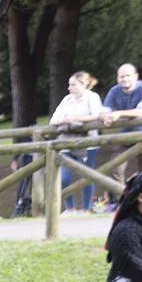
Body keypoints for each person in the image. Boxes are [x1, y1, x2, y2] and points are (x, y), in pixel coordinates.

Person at [49, 72, 105, 211]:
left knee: (86, 176)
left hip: (87, 144)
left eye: (73, 84)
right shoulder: (67, 99)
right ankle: (70, 208)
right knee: (63, 178)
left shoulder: (92, 97)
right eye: (69, 84)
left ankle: (86, 209)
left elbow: (97, 116)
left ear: (83, 84)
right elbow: (53, 120)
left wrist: (74, 118)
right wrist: (66, 121)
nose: (69, 88)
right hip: (66, 142)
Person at [102, 63, 142, 172]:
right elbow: (105, 109)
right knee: (116, 167)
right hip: (127, 134)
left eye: (128, 75)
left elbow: (141, 112)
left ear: (135, 76)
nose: (124, 79)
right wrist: (105, 116)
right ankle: (118, 189)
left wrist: (118, 113)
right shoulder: (114, 91)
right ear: (117, 78)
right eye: (121, 76)